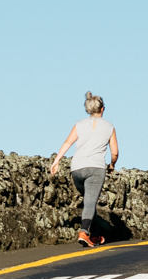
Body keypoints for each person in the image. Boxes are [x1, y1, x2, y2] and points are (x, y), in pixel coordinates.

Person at [48, 92, 118, 247]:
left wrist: (56, 161)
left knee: (88, 200)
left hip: (77, 169)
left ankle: (93, 234)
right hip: (95, 168)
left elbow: (67, 143)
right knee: (90, 201)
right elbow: (115, 152)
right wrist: (112, 165)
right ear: (102, 109)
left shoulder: (79, 125)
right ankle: (84, 232)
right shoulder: (109, 127)